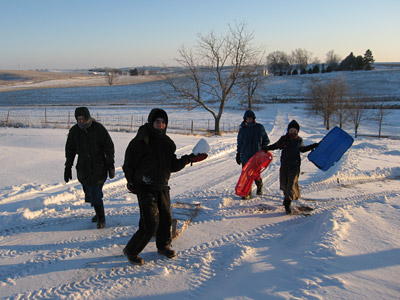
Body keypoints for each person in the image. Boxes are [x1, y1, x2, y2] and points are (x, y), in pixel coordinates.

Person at [122, 108, 207, 265]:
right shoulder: (141, 140)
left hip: (162, 186)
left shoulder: (168, 143)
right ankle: (131, 250)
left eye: (163, 122)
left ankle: (163, 246)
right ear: (151, 122)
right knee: (150, 224)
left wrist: (190, 159)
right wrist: (131, 182)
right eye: (157, 122)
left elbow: (172, 165)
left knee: (166, 219)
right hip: (145, 186)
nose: (160, 125)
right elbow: (128, 165)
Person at [64, 107, 115, 229]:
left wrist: (110, 165)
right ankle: (98, 213)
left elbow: (109, 147)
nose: (81, 121)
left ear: (87, 117)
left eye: (83, 119)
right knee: (89, 192)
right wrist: (68, 167)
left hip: (99, 166)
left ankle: (101, 218)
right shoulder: (74, 131)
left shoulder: (98, 129)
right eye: (78, 119)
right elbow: (70, 150)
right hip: (83, 167)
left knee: (95, 192)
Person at [263, 120, 318, 214]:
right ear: (288, 131)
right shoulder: (284, 139)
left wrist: (313, 146)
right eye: (291, 131)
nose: (292, 132)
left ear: (297, 131)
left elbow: (303, 149)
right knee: (284, 184)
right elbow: (276, 146)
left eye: (294, 131)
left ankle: (287, 203)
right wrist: (266, 148)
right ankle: (288, 196)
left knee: (291, 184)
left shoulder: (299, 140)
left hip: (295, 165)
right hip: (285, 164)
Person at [236, 110, 270, 199]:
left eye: (250, 119)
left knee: (255, 174)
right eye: (247, 119)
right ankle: (247, 192)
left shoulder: (259, 128)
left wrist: (265, 146)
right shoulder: (242, 129)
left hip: (256, 156)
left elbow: (266, 139)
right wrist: (238, 153)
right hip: (245, 156)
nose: (249, 120)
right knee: (246, 175)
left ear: (253, 119)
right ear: (245, 120)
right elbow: (239, 142)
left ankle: (259, 185)